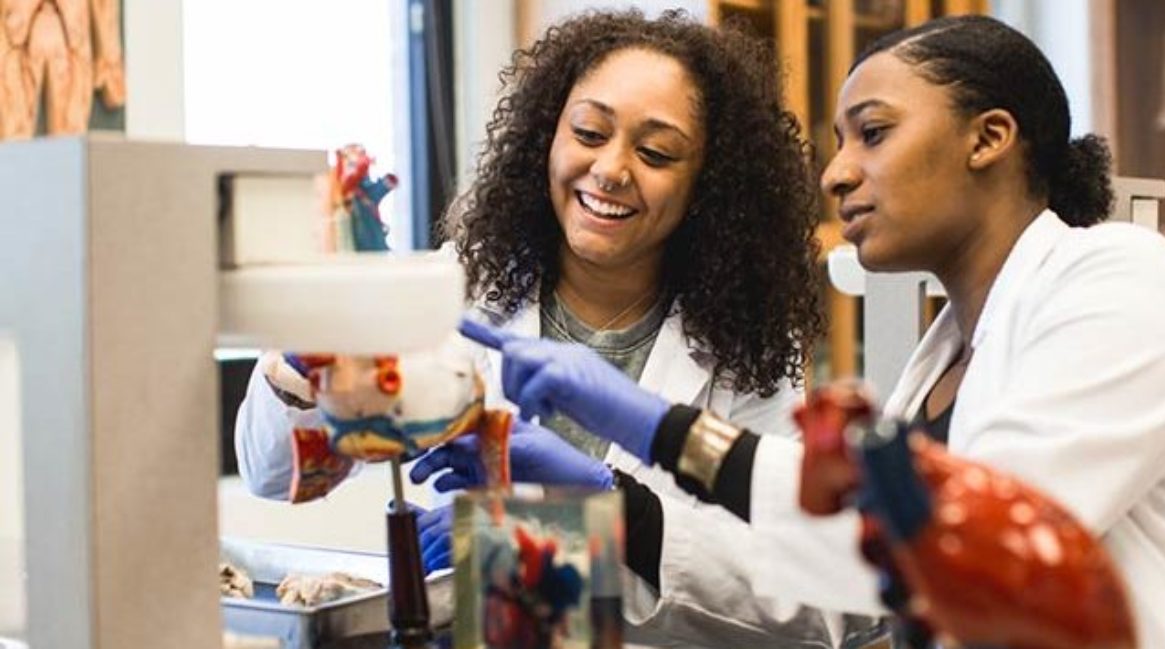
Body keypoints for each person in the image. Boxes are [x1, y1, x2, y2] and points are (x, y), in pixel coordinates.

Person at [430, 14, 1165, 649]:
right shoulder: (940, 360)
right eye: (839, 142)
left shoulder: (1119, 276)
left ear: (989, 138)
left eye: (872, 134)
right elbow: (840, 587)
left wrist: (656, 430)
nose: (836, 172)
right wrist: (613, 506)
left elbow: (973, 536)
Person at [235, 9, 883, 649]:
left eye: (656, 151)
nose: (611, 169)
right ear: (548, 135)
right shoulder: (461, 287)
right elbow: (271, 473)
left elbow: (809, 608)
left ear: (707, 184)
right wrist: (302, 362)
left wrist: (574, 527)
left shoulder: (745, 342)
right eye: (589, 132)